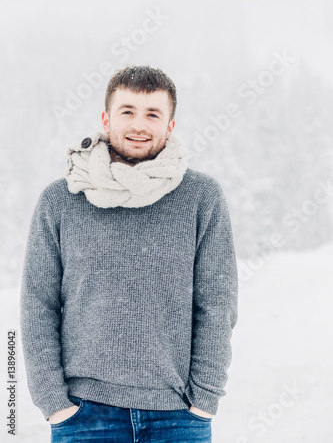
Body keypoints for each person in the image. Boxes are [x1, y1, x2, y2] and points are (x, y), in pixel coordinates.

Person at [20, 65, 239, 442]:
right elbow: (37, 305)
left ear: (170, 126)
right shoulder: (61, 200)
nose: (139, 124)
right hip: (84, 415)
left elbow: (217, 303)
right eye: (128, 112)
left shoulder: (201, 198)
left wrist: (203, 399)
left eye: (153, 114)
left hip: (178, 417)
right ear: (106, 119)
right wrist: (53, 402)